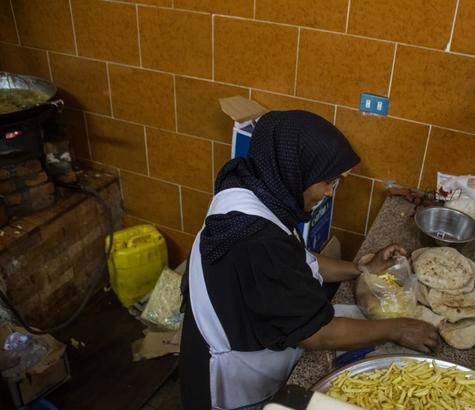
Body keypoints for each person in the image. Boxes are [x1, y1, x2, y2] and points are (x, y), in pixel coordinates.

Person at [180, 111, 438, 410]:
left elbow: (296, 259)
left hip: (230, 337)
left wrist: (362, 268)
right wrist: (398, 328)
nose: (329, 191)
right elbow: (318, 334)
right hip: (233, 377)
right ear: (293, 168)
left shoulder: (251, 185)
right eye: (327, 181)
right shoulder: (257, 241)